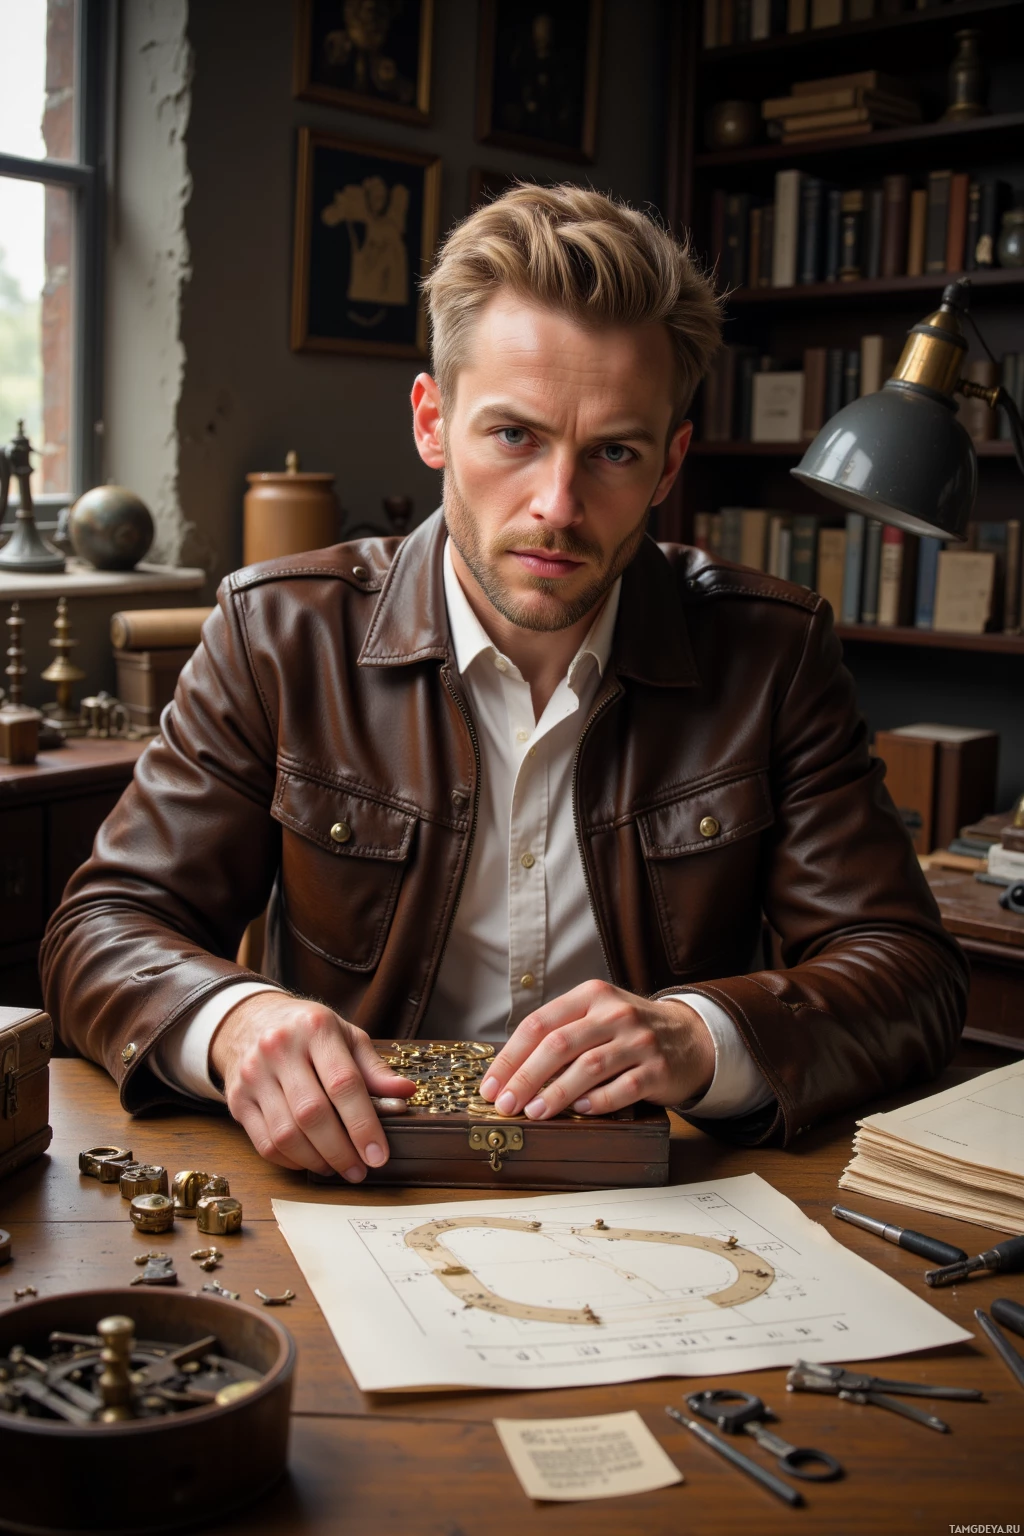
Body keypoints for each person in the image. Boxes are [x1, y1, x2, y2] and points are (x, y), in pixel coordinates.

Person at [41, 184, 967, 1183]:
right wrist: (235, 1021)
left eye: (613, 451)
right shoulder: (276, 633)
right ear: (432, 422)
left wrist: (700, 1038)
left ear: (668, 465)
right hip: (355, 1187)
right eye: (514, 436)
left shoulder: (771, 652)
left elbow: (908, 976)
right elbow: (103, 927)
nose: (557, 507)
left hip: (662, 1199)